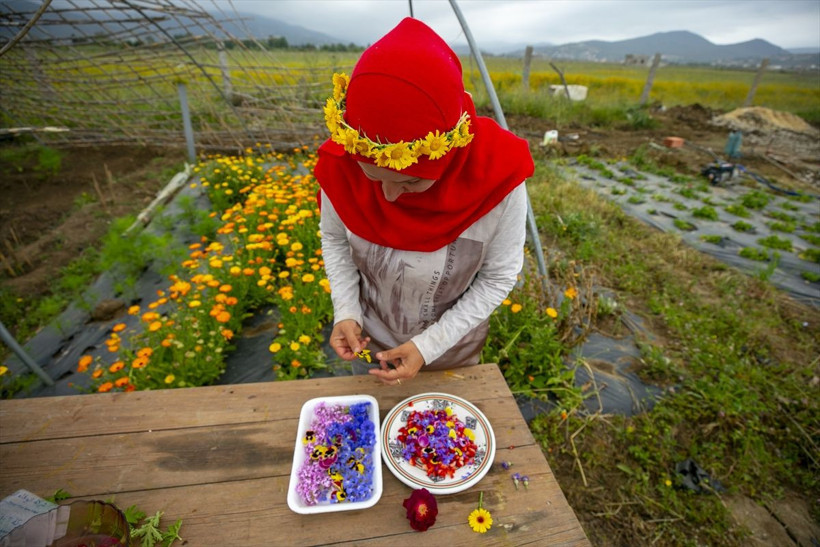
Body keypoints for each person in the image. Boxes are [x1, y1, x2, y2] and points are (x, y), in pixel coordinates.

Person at [315, 17, 534, 386]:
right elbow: (336, 240)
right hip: (371, 346)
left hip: (451, 352)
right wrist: (347, 310)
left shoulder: (498, 180)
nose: (388, 197)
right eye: (373, 178)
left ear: (445, 156)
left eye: (410, 181)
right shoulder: (342, 168)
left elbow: (498, 276)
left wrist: (428, 345)